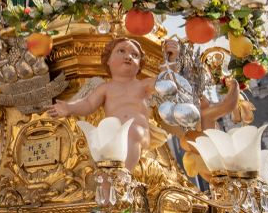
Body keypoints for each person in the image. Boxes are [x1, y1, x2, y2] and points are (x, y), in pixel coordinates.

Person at [48, 37, 181, 175]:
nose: (128, 56)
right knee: (103, 159)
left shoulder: (143, 85)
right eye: (121, 51)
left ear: (140, 65)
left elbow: (167, 82)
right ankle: (107, 194)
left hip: (139, 134)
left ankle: (123, 179)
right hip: (114, 135)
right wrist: (69, 107)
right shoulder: (105, 88)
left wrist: (171, 60)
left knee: (132, 132)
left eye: (135, 55)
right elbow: (89, 103)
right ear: (108, 61)